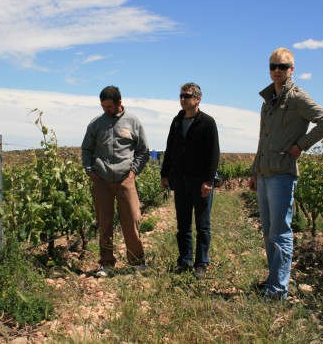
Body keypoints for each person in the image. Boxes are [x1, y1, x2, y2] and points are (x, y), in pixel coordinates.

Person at [248, 47, 323, 299]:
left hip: (282, 174)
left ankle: (277, 291)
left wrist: (300, 147)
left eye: (283, 67)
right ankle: (272, 281)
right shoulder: (268, 100)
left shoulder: (297, 98)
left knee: (280, 232)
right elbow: (262, 138)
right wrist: (255, 171)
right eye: (273, 66)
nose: (277, 71)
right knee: (268, 232)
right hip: (265, 173)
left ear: (292, 70)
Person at [81, 85, 150, 277]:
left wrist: (133, 172)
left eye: (109, 106)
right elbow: (86, 150)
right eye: (103, 107)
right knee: (105, 223)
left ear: (119, 103)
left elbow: (143, 151)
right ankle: (106, 264)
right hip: (101, 180)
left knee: (132, 220)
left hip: (125, 180)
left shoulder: (133, 122)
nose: (106, 110)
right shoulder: (96, 124)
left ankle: (137, 263)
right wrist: (90, 171)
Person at [160, 82, 220, 280]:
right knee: (183, 225)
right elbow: (170, 148)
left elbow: (213, 154)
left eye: (187, 96)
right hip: (181, 180)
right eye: (181, 96)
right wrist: (165, 173)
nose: (183, 99)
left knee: (202, 225)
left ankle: (201, 264)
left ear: (197, 99)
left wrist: (209, 181)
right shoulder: (177, 121)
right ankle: (184, 261)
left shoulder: (207, 122)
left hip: (200, 181)